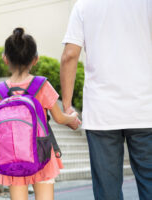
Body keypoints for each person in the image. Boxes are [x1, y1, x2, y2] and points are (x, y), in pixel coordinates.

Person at [60, 0, 152, 199]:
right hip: (145, 109)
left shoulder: (84, 5)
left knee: (107, 192)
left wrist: (66, 107)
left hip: (102, 113)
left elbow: (69, 55)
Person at [0, 27, 79, 200]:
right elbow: (59, 118)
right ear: (35, 59)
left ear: (5, 59)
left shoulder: (0, 91)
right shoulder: (41, 85)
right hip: (41, 154)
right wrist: (72, 119)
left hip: (11, 159)